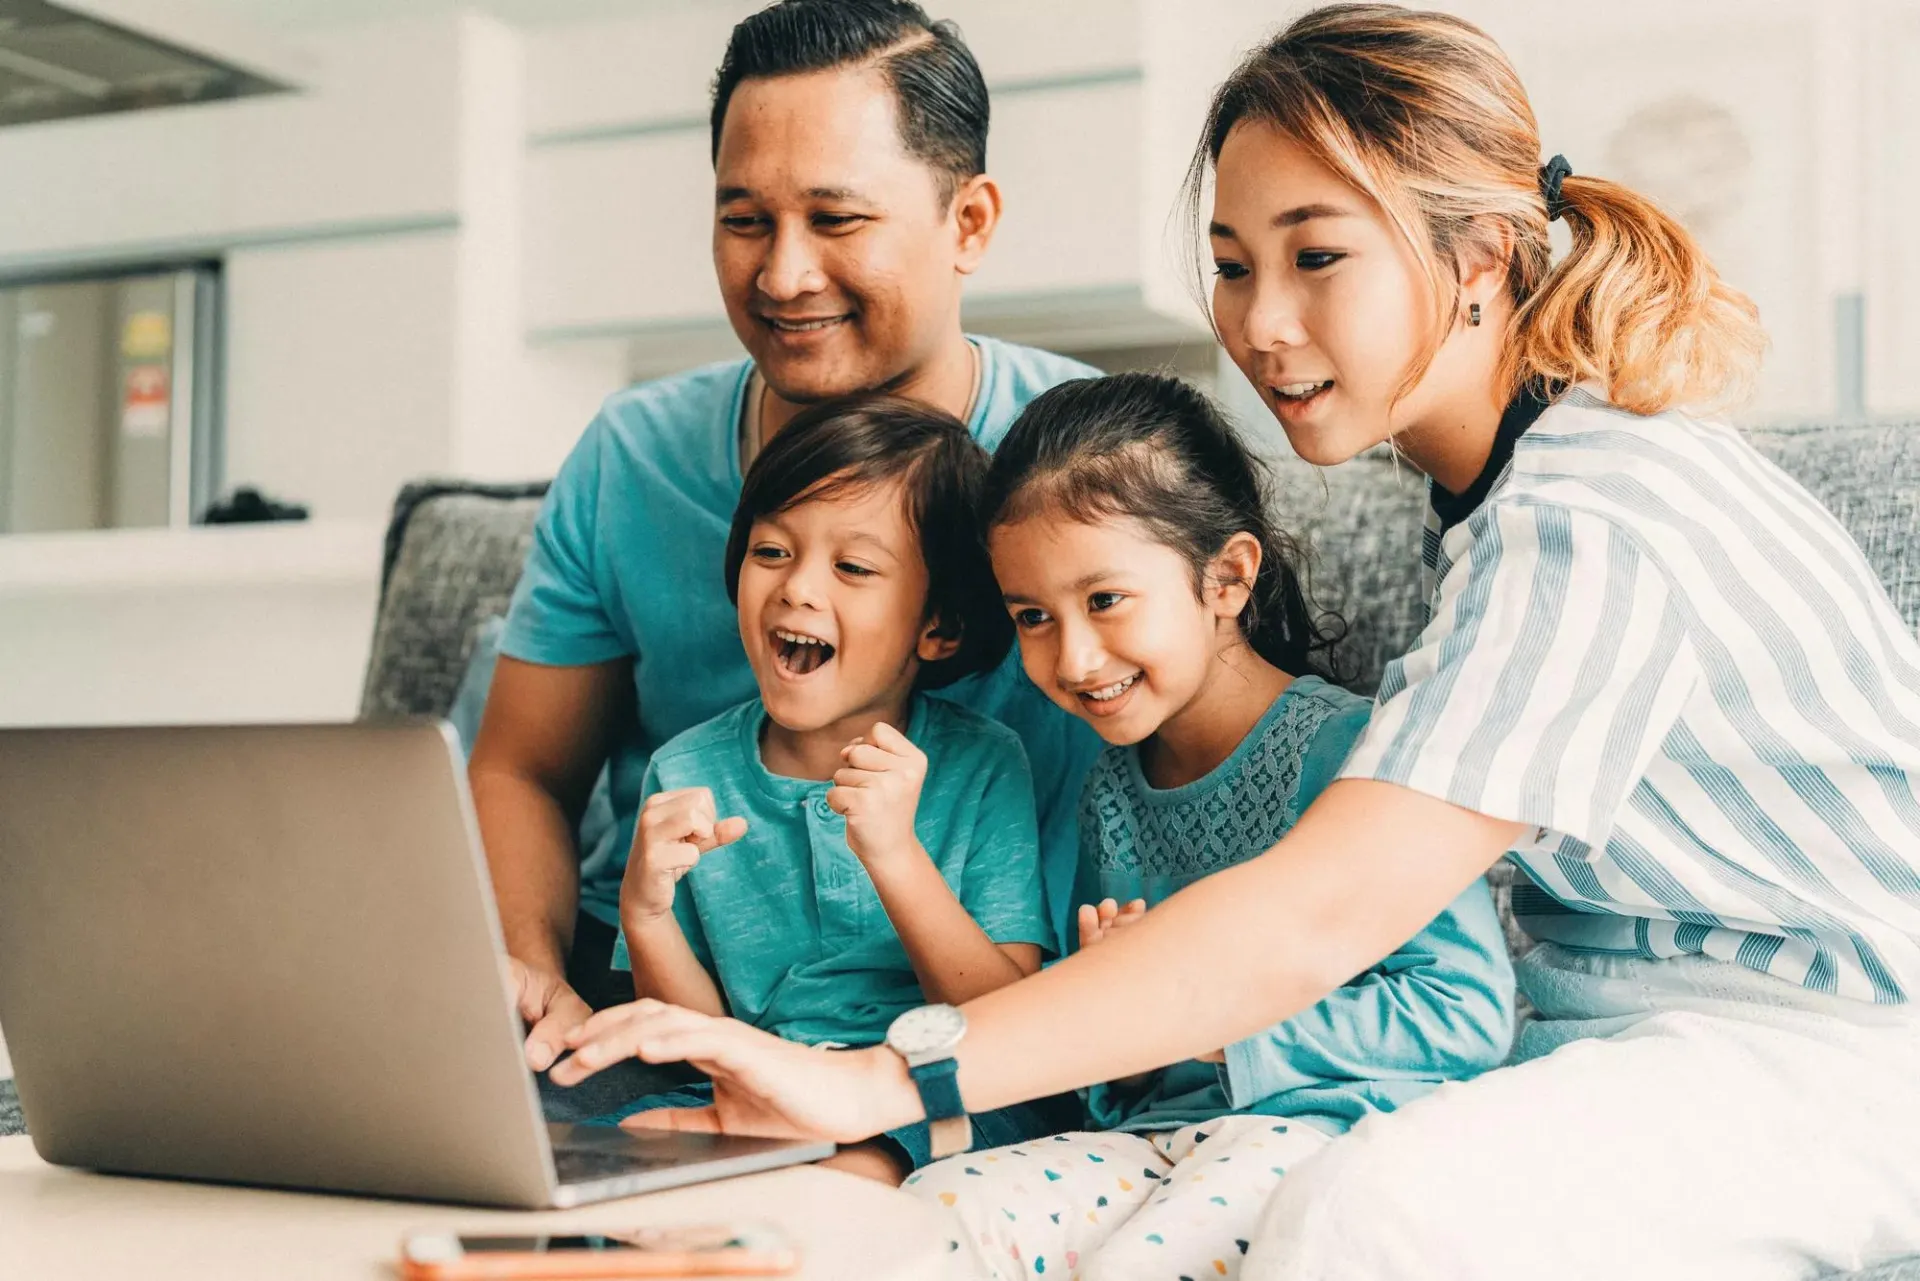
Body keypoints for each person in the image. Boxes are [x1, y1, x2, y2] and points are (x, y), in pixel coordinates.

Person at [551, 7, 1920, 1278]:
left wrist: (883, 1077)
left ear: (1482, 259)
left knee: (1368, 1211)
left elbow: (1319, 912)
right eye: (1229, 264)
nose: (1260, 325)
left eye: (1319, 257)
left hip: (1826, 1053)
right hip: (1590, 1032)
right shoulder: (1498, 501)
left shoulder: (1600, 515)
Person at [470, 0, 1102, 1077]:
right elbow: (525, 768)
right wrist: (532, 972)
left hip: (974, 1012)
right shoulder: (633, 456)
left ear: (970, 224)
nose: (782, 276)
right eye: (745, 219)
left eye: (837, 220)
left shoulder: (1090, 464)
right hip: (661, 994)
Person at [895, 372, 1513, 1278]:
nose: (1071, 656)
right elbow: (1115, 1066)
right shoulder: (1110, 788)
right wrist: (1119, 1004)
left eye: (1105, 600)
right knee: (934, 1212)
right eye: (1033, 616)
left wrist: (1209, 1023)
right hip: (1159, 1140)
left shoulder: (1351, 750)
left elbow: (1464, 1015)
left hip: (1328, 1138)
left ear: (1225, 577)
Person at [582, 394, 1067, 1184]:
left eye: (852, 567)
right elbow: (699, 1041)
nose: (798, 589)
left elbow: (996, 1015)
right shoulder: (686, 772)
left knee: (869, 1161)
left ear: (937, 625)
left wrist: (895, 852)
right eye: (772, 551)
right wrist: (645, 911)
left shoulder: (981, 763)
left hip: (944, 1088)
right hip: (752, 1087)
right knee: (608, 1147)